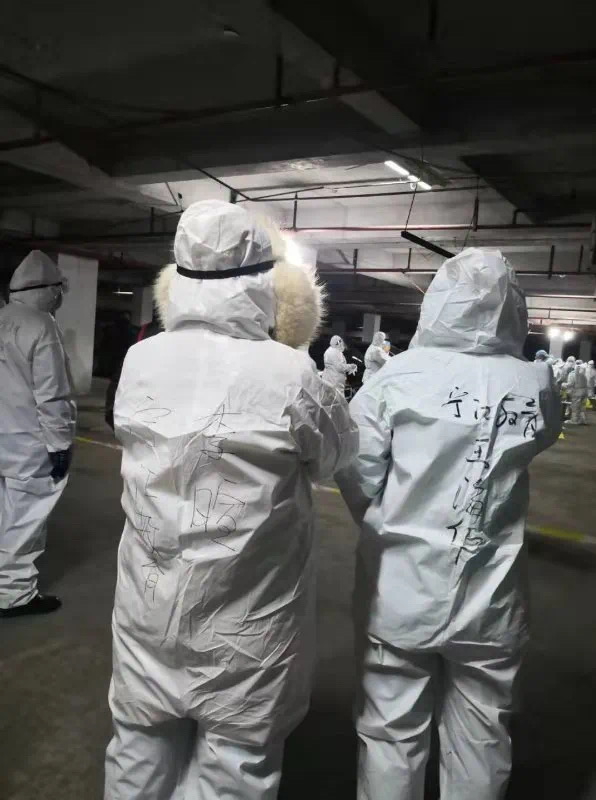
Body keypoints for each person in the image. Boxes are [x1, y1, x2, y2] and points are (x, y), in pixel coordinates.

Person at [104, 200, 357, 800]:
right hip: (246, 621)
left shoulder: (140, 359)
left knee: (138, 745)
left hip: (148, 605)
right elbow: (337, 455)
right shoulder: (291, 374)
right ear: (266, 279)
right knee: (235, 764)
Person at [337, 248, 561, 800]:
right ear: (514, 307)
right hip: (492, 595)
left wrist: (385, 519)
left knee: (391, 733)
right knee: (483, 735)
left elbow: (357, 471)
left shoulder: (396, 379)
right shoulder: (536, 384)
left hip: (401, 588)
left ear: (438, 300)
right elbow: (542, 435)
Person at [0, 251, 76, 617]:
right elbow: (52, 392)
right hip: (28, 441)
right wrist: (59, 443)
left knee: (4, 513)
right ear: (47, 290)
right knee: (24, 519)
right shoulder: (42, 325)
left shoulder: (3, 318)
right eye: (58, 290)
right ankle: (13, 595)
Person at [566, 360, 589, 425]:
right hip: (585, 391)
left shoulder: (572, 374)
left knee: (575, 407)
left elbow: (570, 384)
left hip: (577, 392)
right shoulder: (584, 373)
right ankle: (583, 420)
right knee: (582, 407)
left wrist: (563, 385)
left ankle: (574, 420)